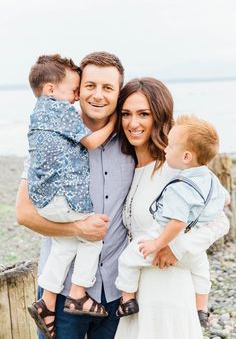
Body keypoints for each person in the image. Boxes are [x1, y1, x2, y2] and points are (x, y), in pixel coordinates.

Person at [16, 53, 229, 339]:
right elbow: (23, 214)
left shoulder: (139, 150)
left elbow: (215, 212)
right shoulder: (51, 140)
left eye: (108, 88)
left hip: (119, 296)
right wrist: (77, 228)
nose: (98, 95)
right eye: (90, 86)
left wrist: (177, 247)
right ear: (77, 91)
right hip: (64, 292)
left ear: (118, 93)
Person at [113, 78, 229, 339]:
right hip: (138, 292)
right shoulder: (126, 169)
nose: (133, 123)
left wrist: (177, 248)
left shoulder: (176, 170)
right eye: (126, 114)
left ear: (161, 117)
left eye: (144, 114)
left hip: (170, 287)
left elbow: (221, 222)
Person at [27, 54, 118, 338]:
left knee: (66, 246)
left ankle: (48, 301)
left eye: (108, 88)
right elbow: (22, 214)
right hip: (64, 299)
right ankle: (78, 293)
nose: (84, 96)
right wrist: (116, 121)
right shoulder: (60, 119)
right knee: (92, 235)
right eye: (83, 87)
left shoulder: (39, 116)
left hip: (113, 294)